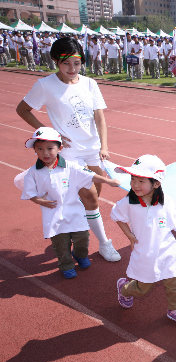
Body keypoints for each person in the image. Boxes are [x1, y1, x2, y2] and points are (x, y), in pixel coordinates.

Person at [16, 37, 122, 262]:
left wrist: (104, 146)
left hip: (92, 149)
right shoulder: (45, 85)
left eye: (76, 63)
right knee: (91, 198)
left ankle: (77, 230)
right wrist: (48, 132)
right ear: (56, 61)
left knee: (90, 199)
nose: (72, 69)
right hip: (69, 152)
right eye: (66, 64)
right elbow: (22, 109)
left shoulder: (90, 83)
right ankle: (104, 244)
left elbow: (99, 116)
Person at [21, 127, 120, 279]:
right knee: (61, 244)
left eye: (50, 148)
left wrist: (108, 181)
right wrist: (39, 200)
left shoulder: (70, 166)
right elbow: (30, 193)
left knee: (82, 239)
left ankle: (80, 255)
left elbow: (90, 175)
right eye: (39, 149)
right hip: (53, 214)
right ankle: (66, 264)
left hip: (75, 213)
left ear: (59, 148)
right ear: (34, 150)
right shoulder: (33, 172)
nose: (45, 153)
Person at [112, 155, 176, 327]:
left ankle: (175, 309)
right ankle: (124, 288)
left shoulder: (167, 203)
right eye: (133, 179)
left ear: (156, 183)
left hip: (168, 252)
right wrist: (129, 235)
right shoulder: (128, 202)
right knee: (143, 288)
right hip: (145, 253)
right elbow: (116, 215)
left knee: (175, 282)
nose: (135, 185)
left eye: (141, 181)